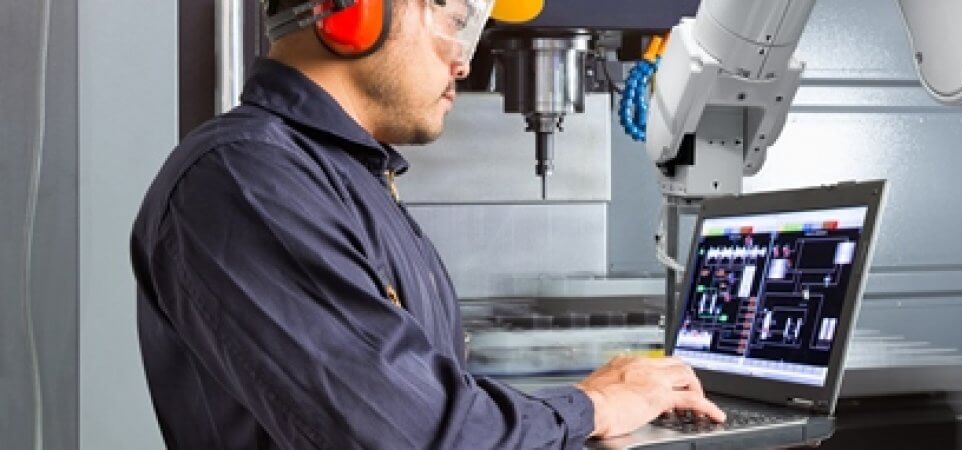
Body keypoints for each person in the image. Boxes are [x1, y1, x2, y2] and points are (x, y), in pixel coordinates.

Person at [129, 0, 723, 447]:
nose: (463, 60)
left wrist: (581, 405)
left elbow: (420, 402)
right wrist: (589, 408)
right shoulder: (245, 178)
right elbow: (414, 434)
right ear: (352, 12)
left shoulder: (346, 175)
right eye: (453, 18)